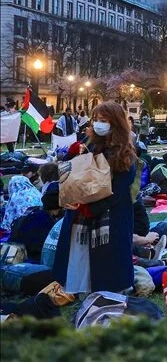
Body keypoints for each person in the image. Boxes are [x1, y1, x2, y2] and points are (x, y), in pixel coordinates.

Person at [53, 102, 137, 295]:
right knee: (80, 261)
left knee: (108, 269)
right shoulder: (89, 142)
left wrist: (91, 208)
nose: (98, 124)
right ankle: (87, 298)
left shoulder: (125, 153)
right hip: (80, 217)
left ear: (115, 123)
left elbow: (119, 190)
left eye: (104, 120)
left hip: (109, 218)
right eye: (96, 120)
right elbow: (71, 171)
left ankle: (109, 299)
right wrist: (71, 155)